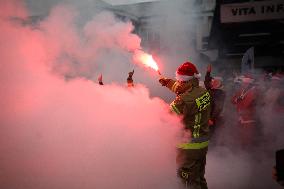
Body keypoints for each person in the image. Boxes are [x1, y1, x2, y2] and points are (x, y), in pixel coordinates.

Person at [159, 62, 211, 189]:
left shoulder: (184, 100)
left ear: (185, 81)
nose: (178, 83)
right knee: (198, 177)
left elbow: (166, 116)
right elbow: (182, 88)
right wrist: (168, 82)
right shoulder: (202, 91)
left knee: (187, 181)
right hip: (202, 144)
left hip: (189, 147)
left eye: (180, 80)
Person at [204, 64, 226, 139]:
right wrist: (208, 72)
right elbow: (206, 82)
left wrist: (211, 119)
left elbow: (218, 107)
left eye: (215, 81)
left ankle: (216, 149)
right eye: (213, 81)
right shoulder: (212, 90)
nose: (212, 82)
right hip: (210, 118)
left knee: (213, 136)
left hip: (215, 119)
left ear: (219, 83)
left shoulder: (220, 93)